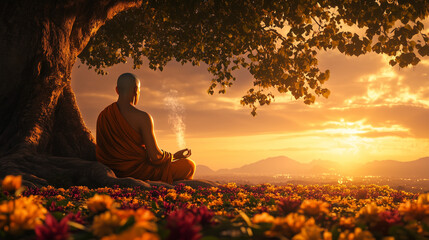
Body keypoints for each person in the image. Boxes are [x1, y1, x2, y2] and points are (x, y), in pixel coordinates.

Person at [96, 73, 196, 184]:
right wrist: (174, 156)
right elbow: (155, 157)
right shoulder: (143, 117)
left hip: (112, 170)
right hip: (139, 172)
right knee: (189, 165)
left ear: (117, 90)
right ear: (136, 90)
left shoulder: (103, 115)